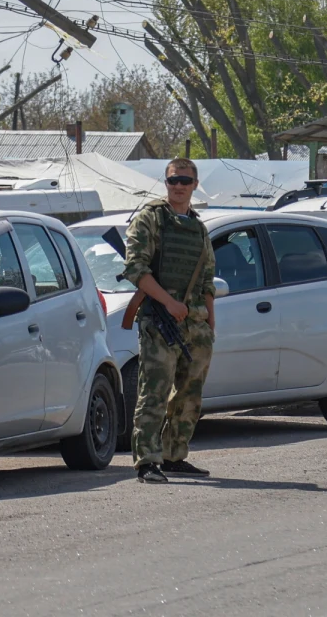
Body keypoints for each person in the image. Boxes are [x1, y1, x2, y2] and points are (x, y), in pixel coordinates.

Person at [123, 158, 216, 484]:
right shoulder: (151, 219)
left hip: (196, 326)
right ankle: (147, 460)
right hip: (160, 322)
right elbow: (136, 269)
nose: (179, 186)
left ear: (194, 184)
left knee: (190, 397)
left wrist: (210, 328)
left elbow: (207, 284)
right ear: (166, 183)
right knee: (155, 394)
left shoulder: (199, 227)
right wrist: (169, 303)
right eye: (173, 180)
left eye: (185, 181)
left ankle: (174, 454)